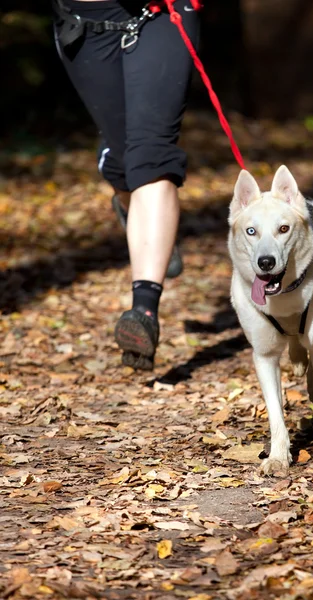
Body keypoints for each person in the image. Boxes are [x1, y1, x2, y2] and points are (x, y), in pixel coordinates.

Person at [52, 0, 201, 370]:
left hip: (159, 13)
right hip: (85, 22)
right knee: (124, 161)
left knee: (151, 153)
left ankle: (144, 311)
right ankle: (133, 207)